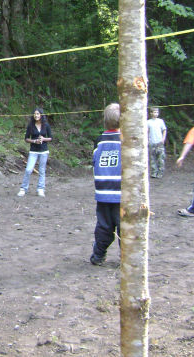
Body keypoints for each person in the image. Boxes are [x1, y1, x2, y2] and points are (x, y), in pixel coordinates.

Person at [90, 103, 121, 266]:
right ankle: (127, 258)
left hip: (102, 192)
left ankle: (98, 255)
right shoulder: (127, 141)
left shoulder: (99, 141)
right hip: (121, 193)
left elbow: (94, 162)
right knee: (125, 228)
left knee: (103, 227)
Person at [17, 107, 52, 197]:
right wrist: (34, 141)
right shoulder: (31, 125)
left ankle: (40, 189)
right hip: (33, 151)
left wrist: (43, 139)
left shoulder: (46, 125)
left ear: (41, 115)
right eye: (35, 114)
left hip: (44, 151)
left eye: (38, 114)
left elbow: (50, 138)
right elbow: (26, 138)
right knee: (28, 169)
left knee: (42, 170)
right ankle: (23, 189)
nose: (36, 115)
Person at [147, 107, 167, 178]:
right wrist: (147, 140)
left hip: (159, 142)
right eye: (154, 112)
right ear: (151, 113)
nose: (156, 114)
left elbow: (164, 130)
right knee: (152, 159)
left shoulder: (160, 121)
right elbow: (146, 132)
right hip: (151, 142)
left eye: (157, 112)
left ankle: (160, 172)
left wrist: (163, 139)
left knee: (161, 158)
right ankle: (154, 173)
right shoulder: (148, 122)